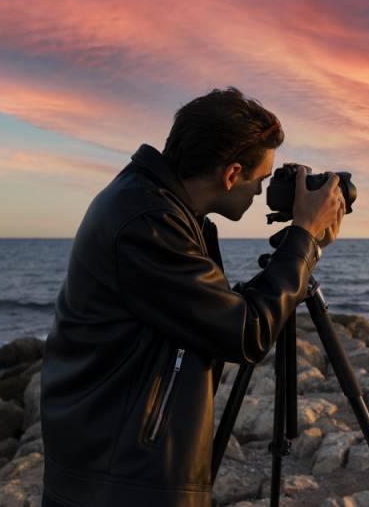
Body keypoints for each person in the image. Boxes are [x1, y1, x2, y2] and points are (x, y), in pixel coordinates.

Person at [40, 87, 345, 507]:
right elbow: (245, 334)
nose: (262, 192)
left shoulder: (160, 208)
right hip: (120, 480)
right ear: (231, 173)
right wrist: (303, 239)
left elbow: (204, 311)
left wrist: (302, 248)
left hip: (113, 466)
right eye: (260, 178)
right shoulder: (147, 223)